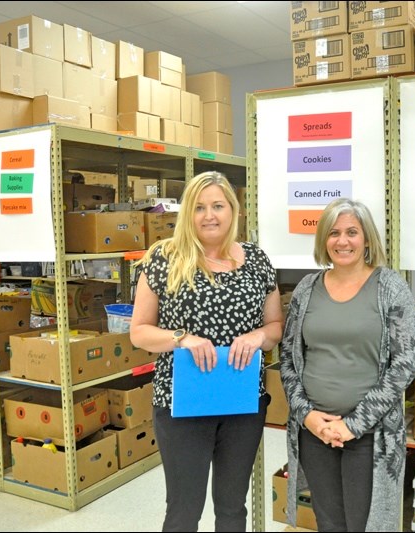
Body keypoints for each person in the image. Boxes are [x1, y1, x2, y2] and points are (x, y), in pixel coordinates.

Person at [129, 171, 284, 532]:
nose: (209, 215)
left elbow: (276, 327)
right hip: (182, 403)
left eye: (217, 205)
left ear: (233, 210)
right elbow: (139, 332)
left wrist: (258, 336)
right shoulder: (164, 259)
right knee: (184, 510)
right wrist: (183, 337)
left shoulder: (257, 261)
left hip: (241, 402)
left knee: (232, 507)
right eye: (199, 207)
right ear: (188, 214)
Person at [279, 198, 415, 532]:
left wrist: (353, 425)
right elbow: (287, 359)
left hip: (370, 437)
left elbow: (403, 366)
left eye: (352, 232)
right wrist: (308, 417)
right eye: (334, 233)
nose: (343, 241)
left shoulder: (391, 289)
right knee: (328, 522)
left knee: (364, 525)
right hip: (315, 433)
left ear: (367, 239)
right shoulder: (306, 290)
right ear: (323, 240)